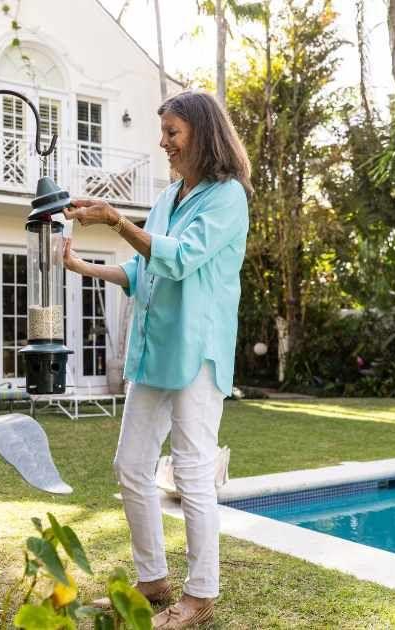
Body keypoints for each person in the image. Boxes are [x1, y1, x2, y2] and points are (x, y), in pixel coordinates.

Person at [62, 90, 251, 630]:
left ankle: (201, 594)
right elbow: (146, 268)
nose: (163, 142)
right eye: (163, 132)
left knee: (192, 471)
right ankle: (152, 582)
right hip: (155, 349)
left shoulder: (227, 197)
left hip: (198, 351)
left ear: (202, 134)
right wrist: (85, 267)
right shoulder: (170, 197)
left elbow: (183, 257)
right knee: (131, 464)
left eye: (172, 133)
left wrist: (117, 221)